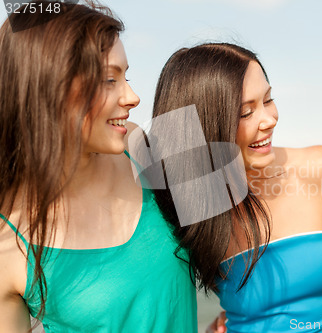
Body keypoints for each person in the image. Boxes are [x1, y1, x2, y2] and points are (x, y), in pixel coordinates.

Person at [150, 43, 322, 333]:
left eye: (268, 100)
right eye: (246, 112)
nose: (269, 119)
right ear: (207, 125)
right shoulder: (185, 202)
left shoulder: (319, 166)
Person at [0, 2, 196, 332]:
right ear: (46, 89)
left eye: (126, 76)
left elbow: (232, 236)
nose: (133, 97)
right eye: (108, 79)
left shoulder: (139, 144)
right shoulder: (8, 244)